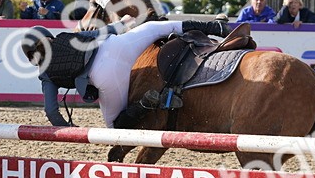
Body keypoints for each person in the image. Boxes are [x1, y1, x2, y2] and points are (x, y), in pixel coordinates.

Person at [22, 18, 227, 128]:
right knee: (159, 26)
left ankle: (145, 104)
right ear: (47, 36)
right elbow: (102, 33)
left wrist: (67, 128)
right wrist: (123, 23)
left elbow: (51, 110)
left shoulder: (45, 73)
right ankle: (215, 27)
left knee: (114, 129)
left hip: (105, 75)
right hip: (118, 45)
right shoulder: (66, 37)